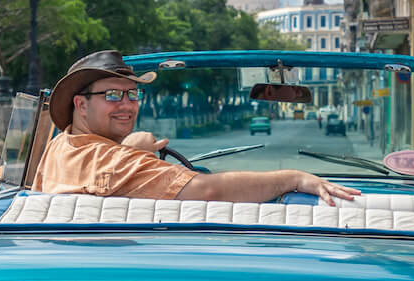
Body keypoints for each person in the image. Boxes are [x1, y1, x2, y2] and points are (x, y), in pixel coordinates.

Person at [30, 51, 360, 205]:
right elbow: (209, 191)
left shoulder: (61, 147)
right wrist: (294, 177)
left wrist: (130, 152)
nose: (128, 105)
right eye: (113, 95)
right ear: (81, 104)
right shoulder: (112, 162)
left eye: (133, 94)